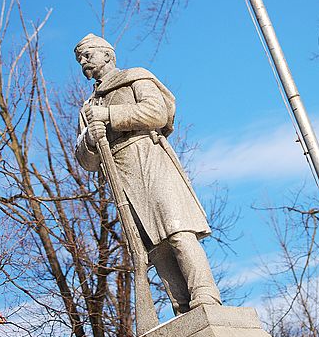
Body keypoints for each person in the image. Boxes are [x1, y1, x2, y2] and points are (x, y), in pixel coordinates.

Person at [74, 33, 221, 314]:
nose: (83, 61)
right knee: (155, 248)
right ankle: (183, 307)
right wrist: (90, 139)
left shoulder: (135, 77)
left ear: (107, 55)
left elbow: (157, 113)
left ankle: (205, 294)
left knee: (177, 230)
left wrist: (110, 116)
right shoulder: (88, 108)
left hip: (149, 157)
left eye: (87, 55)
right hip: (121, 176)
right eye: (79, 59)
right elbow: (86, 161)